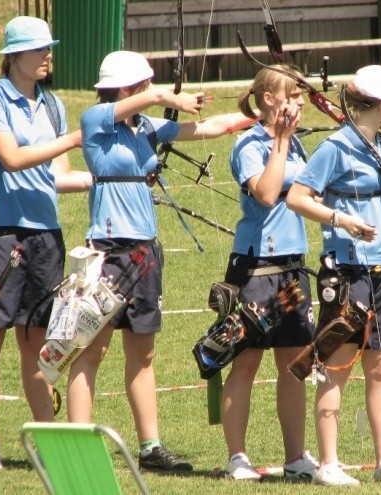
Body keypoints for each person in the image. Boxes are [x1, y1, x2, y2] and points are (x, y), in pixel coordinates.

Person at [68, 50, 260, 472]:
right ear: (126, 88)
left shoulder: (145, 126)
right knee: (91, 351)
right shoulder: (96, 119)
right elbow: (137, 102)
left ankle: (150, 447)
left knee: (144, 353)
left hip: (144, 253)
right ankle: (78, 446)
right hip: (108, 251)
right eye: (141, 85)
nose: (147, 91)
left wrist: (256, 114)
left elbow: (208, 126)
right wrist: (160, 96)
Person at [286, 65, 381, 486]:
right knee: (337, 365)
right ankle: (329, 463)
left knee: (380, 367)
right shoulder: (335, 147)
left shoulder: (380, 145)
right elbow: (297, 197)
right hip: (346, 272)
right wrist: (341, 221)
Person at [0, 16, 91, 469]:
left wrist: (115, 179)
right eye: (39, 49)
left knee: (40, 342)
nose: (48, 56)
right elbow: (14, 159)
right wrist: (76, 137)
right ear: (13, 55)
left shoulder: (54, 105)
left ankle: (50, 441)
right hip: (0, 234)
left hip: (45, 236)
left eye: (48, 48)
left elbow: (58, 178)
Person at [218, 65, 318, 481]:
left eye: (299, 97)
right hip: (256, 269)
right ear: (266, 100)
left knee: (295, 364)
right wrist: (279, 139)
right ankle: (237, 456)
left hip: (292, 269)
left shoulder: (296, 147)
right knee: (245, 363)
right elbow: (265, 192)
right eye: (290, 96)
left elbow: (312, 193)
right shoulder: (252, 145)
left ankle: (296, 456)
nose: (297, 104)